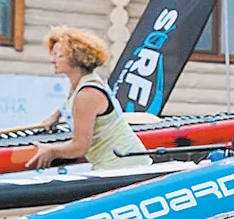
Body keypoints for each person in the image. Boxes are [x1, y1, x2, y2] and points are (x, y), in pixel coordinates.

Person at [26, 27, 154, 170]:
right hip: (113, 163)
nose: (52, 60)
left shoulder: (87, 93)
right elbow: (70, 103)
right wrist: (56, 115)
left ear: (76, 59)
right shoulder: (80, 83)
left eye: (59, 56)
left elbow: (80, 148)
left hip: (122, 166)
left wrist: (51, 150)